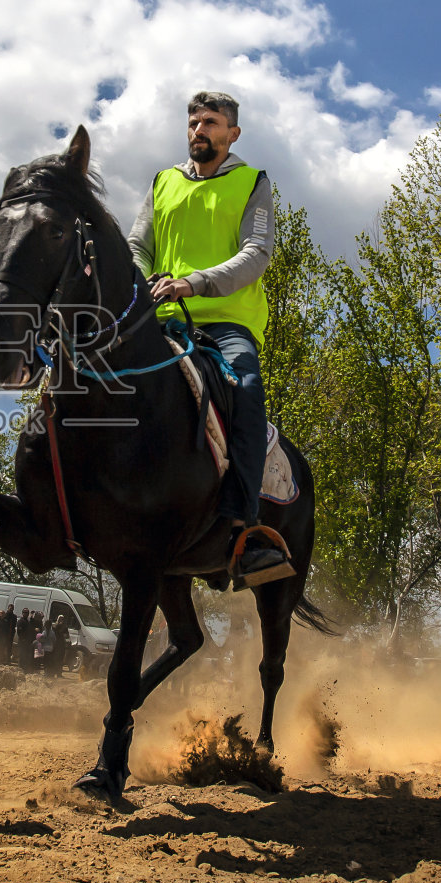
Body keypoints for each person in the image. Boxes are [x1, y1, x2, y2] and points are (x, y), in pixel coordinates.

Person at [126, 91, 290, 587]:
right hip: (158, 320)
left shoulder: (251, 183)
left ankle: (245, 529)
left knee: (244, 388)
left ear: (232, 133)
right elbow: (138, 246)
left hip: (224, 325)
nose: (199, 129)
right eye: (194, 121)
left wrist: (193, 283)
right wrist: (139, 283)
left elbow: (257, 253)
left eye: (211, 122)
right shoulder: (164, 182)